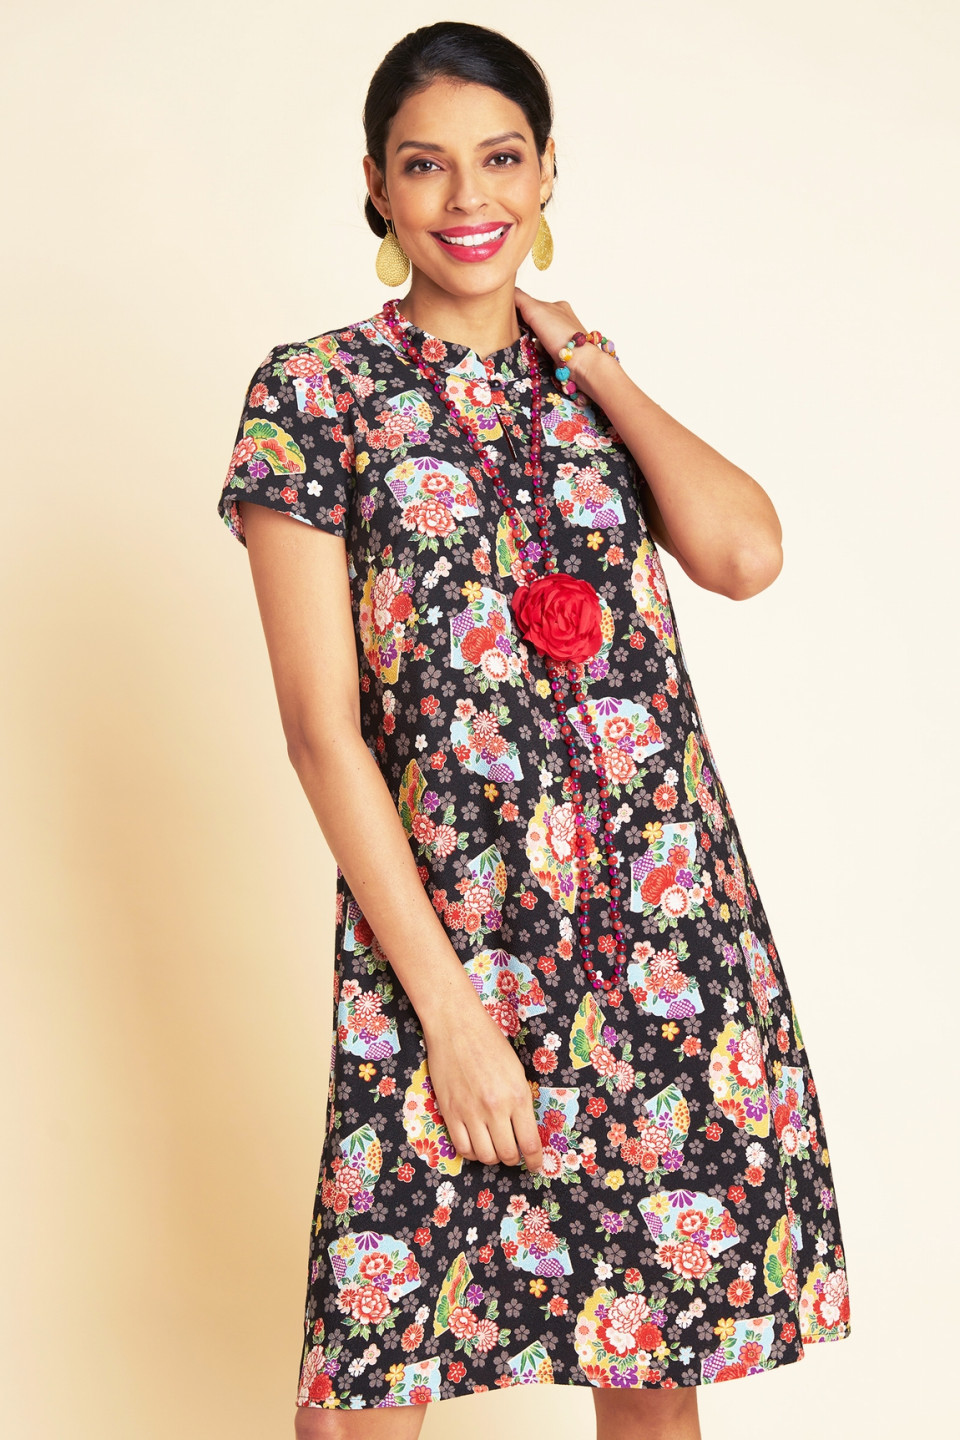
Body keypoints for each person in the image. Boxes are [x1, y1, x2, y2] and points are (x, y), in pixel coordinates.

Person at [217, 20, 852, 1439]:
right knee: (364, 1393)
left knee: (652, 1386)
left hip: (663, 949)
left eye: (501, 158)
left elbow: (746, 554)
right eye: (424, 165)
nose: (468, 198)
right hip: (444, 951)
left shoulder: (586, 385)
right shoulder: (313, 396)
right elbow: (322, 732)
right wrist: (449, 1016)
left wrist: (599, 366)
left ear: (550, 170)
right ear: (376, 186)